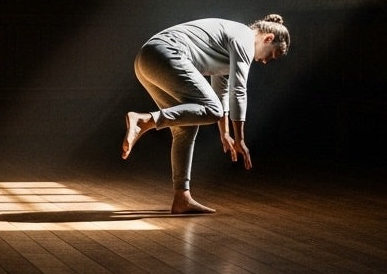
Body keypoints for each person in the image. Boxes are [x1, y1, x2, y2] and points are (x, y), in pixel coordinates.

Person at [121, 14, 290, 214]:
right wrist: (241, 139)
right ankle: (144, 120)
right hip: (165, 54)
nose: (265, 61)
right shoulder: (244, 37)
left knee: (186, 127)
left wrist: (225, 133)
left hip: (147, 60)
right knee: (213, 109)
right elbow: (238, 91)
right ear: (268, 38)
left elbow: (222, 91)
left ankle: (181, 198)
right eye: (272, 54)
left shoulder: (232, 42)